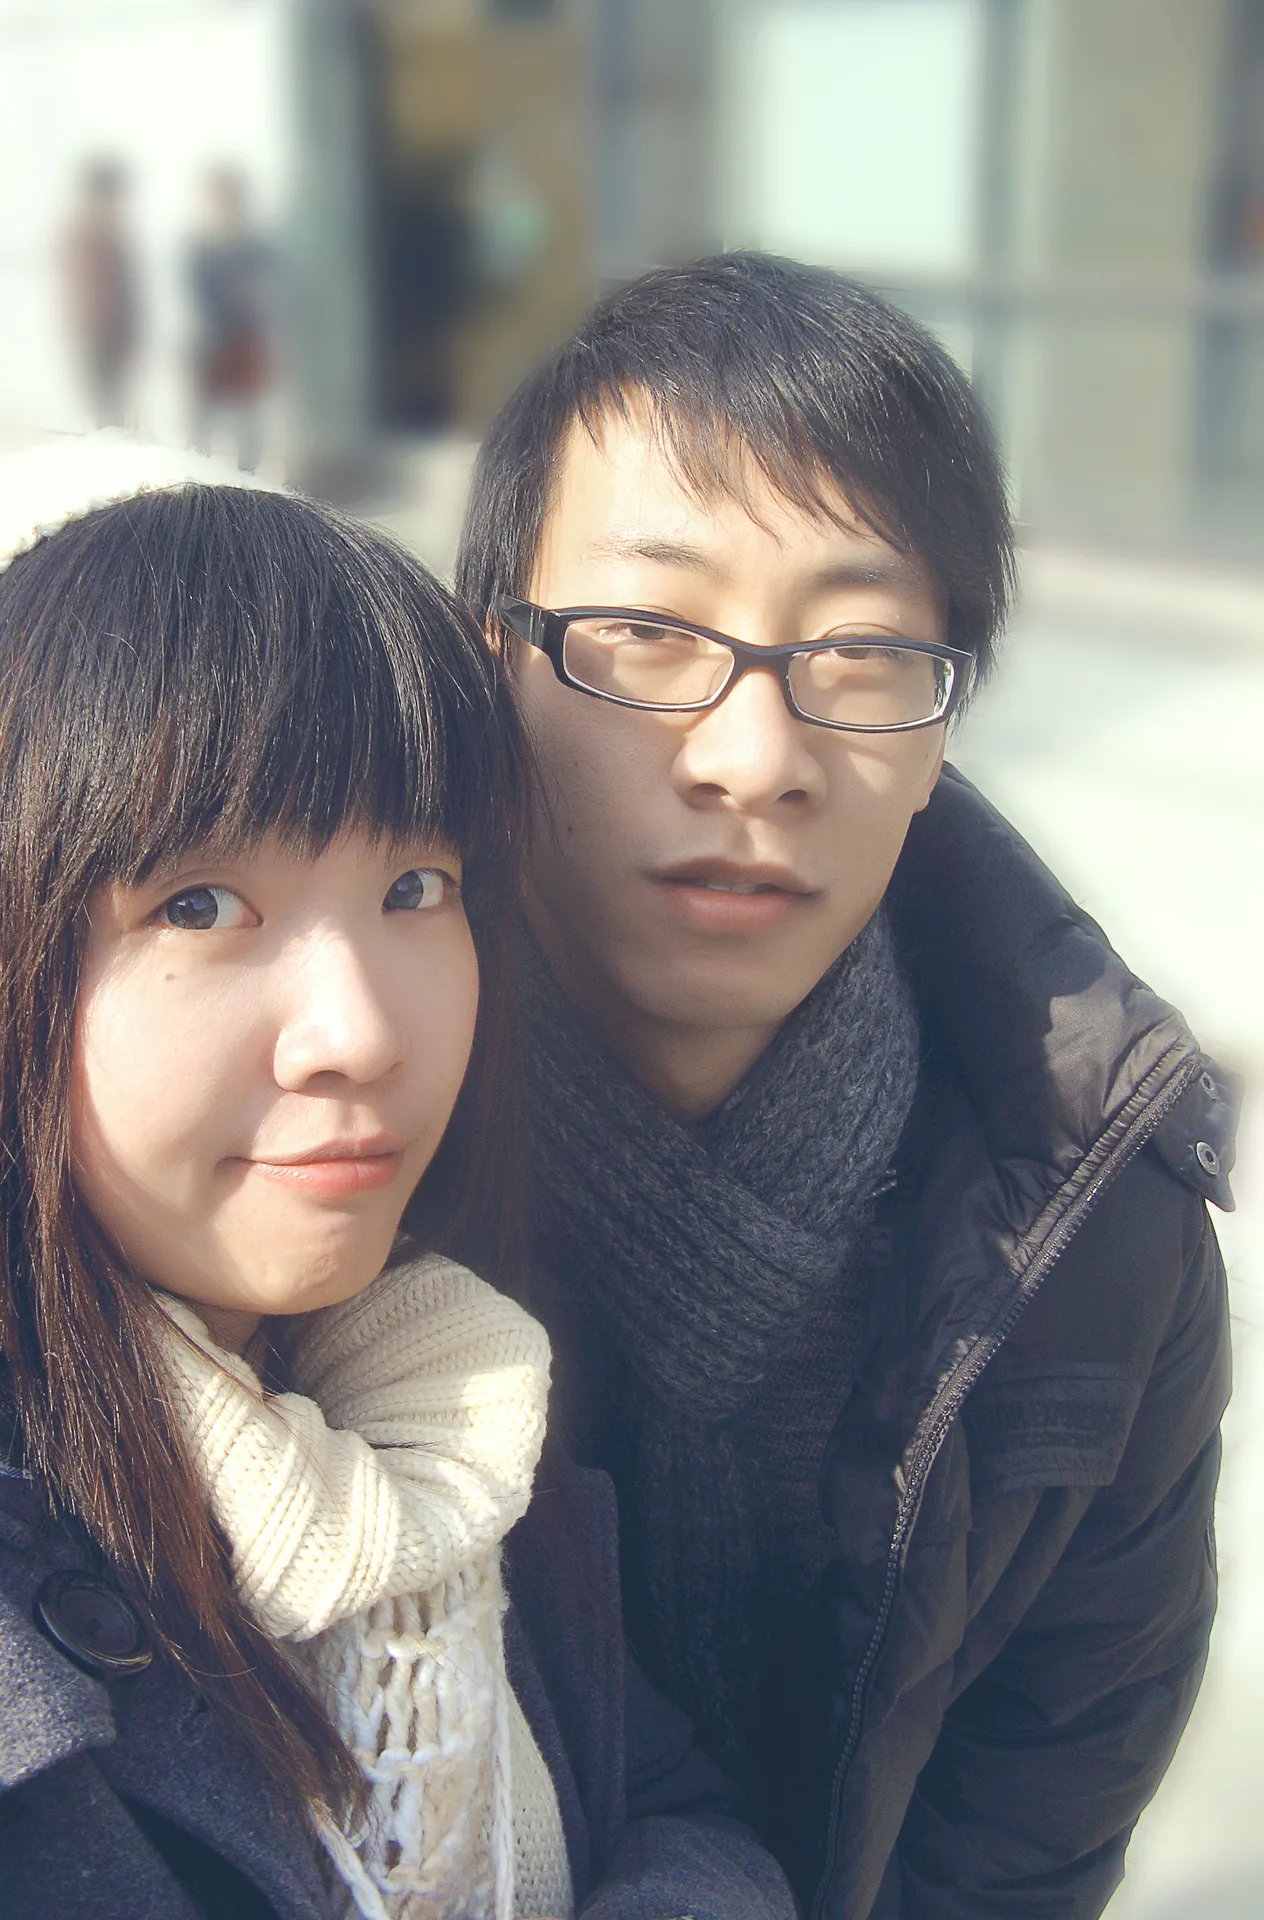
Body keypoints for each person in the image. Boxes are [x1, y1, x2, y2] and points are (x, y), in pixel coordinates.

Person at [0, 434, 795, 1920]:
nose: (359, 1032)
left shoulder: (425, 1398)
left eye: (416, 886)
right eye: (200, 905)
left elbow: (672, 1807)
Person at [455, 253, 1238, 1920]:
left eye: (867, 651)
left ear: (944, 724)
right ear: (492, 659)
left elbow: (1025, 1838)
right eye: (647, 634)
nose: (753, 759)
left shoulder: (1102, 1236)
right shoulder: (331, 1147)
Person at [186, 167, 274, 472]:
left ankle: (247, 485)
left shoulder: (257, 249)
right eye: (216, 200)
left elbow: (269, 296)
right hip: (210, 347)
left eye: (228, 199)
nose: (222, 207)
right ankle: (201, 488)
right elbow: (195, 298)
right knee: (202, 429)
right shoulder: (199, 250)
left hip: (245, 345)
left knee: (248, 430)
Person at [59, 158, 141, 429]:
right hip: (98, 339)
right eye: (113, 194)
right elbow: (85, 293)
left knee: (114, 410)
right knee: (106, 412)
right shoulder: (85, 235)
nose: (118, 203)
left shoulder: (115, 236)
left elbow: (129, 292)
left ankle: (111, 438)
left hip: (116, 338)